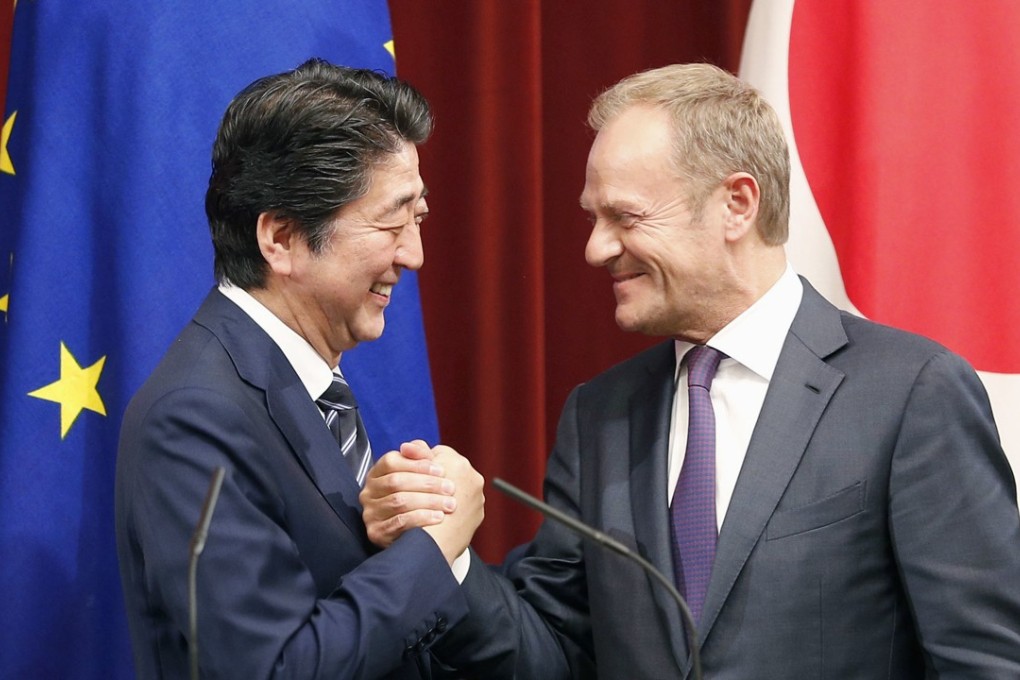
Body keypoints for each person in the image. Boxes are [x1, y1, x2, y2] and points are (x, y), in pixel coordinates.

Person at [363, 63, 1020, 678]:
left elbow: (986, 661)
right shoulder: (602, 414)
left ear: (737, 204)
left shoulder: (910, 393)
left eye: (625, 217)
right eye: (593, 219)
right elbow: (551, 651)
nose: (596, 249)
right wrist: (442, 552)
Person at [115, 59, 483, 679]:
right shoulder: (194, 416)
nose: (414, 255)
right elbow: (275, 669)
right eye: (391, 222)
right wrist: (432, 549)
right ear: (280, 239)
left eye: (417, 220)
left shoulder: (303, 382)